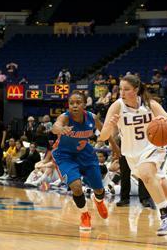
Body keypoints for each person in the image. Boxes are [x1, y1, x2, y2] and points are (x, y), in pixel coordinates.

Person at [99, 74, 167, 236]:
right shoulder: (117, 107)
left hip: (153, 147)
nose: (122, 92)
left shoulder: (151, 104)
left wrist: (166, 125)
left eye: (126, 89)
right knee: (166, 191)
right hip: (131, 155)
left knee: (147, 174)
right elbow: (103, 136)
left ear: (136, 90)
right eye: (120, 89)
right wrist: (111, 125)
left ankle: (166, 218)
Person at [51, 90, 120, 230]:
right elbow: (55, 126)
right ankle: (85, 215)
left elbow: (105, 131)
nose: (74, 106)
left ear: (84, 105)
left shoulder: (92, 118)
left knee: (99, 190)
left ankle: (99, 200)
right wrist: (60, 129)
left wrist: (115, 148)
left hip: (86, 154)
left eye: (78, 103)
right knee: (76, 186)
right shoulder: (65, 117)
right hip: (65, 156)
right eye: (71, 103)